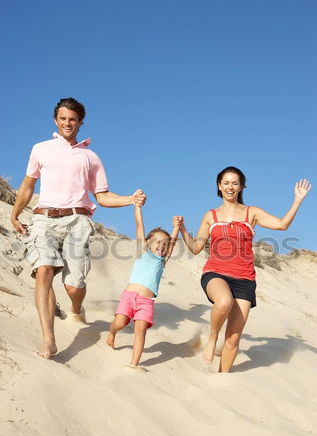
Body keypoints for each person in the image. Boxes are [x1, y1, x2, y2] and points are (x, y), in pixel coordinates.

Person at [10, 97, 146, 360]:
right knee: (44, 271)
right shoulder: (41, 149)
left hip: (78, 221)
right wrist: (15, 213)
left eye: (72, 119)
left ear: (80, 122)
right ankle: (49, 340)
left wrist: (130, 199)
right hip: (44, 218)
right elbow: (28, 186)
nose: (67, 123)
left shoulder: (91, 157)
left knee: (73, 286)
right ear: (55, 120)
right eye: (62, 118)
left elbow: (102, 196)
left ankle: (75, 307)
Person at [176, 166, 311, 373]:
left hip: (244, 278)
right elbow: (195, 248)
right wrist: (184, 230)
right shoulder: (210, 216)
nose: (230, 187)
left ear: (241, 187)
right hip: (215, 273)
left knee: (233, 339)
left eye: (235, 183)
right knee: (223, 302)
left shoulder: (252, 212)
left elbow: (282, 225)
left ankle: (222, 378)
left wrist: (297, 200)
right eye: (226, 183)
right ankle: (213, 338)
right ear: (219, 187)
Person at [106, 205, 180, 368]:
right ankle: (112, 332)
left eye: (165, 244)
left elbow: (173, 243)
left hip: (146, 302)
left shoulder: (162, 261)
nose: (162, 245)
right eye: (158, 242)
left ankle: (134, 363)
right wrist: (138, 207)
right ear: (147, 243)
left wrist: (176, 228)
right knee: (119, 323)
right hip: (129, 297)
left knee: (141, 330)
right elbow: (139, 225)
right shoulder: (142, 252)